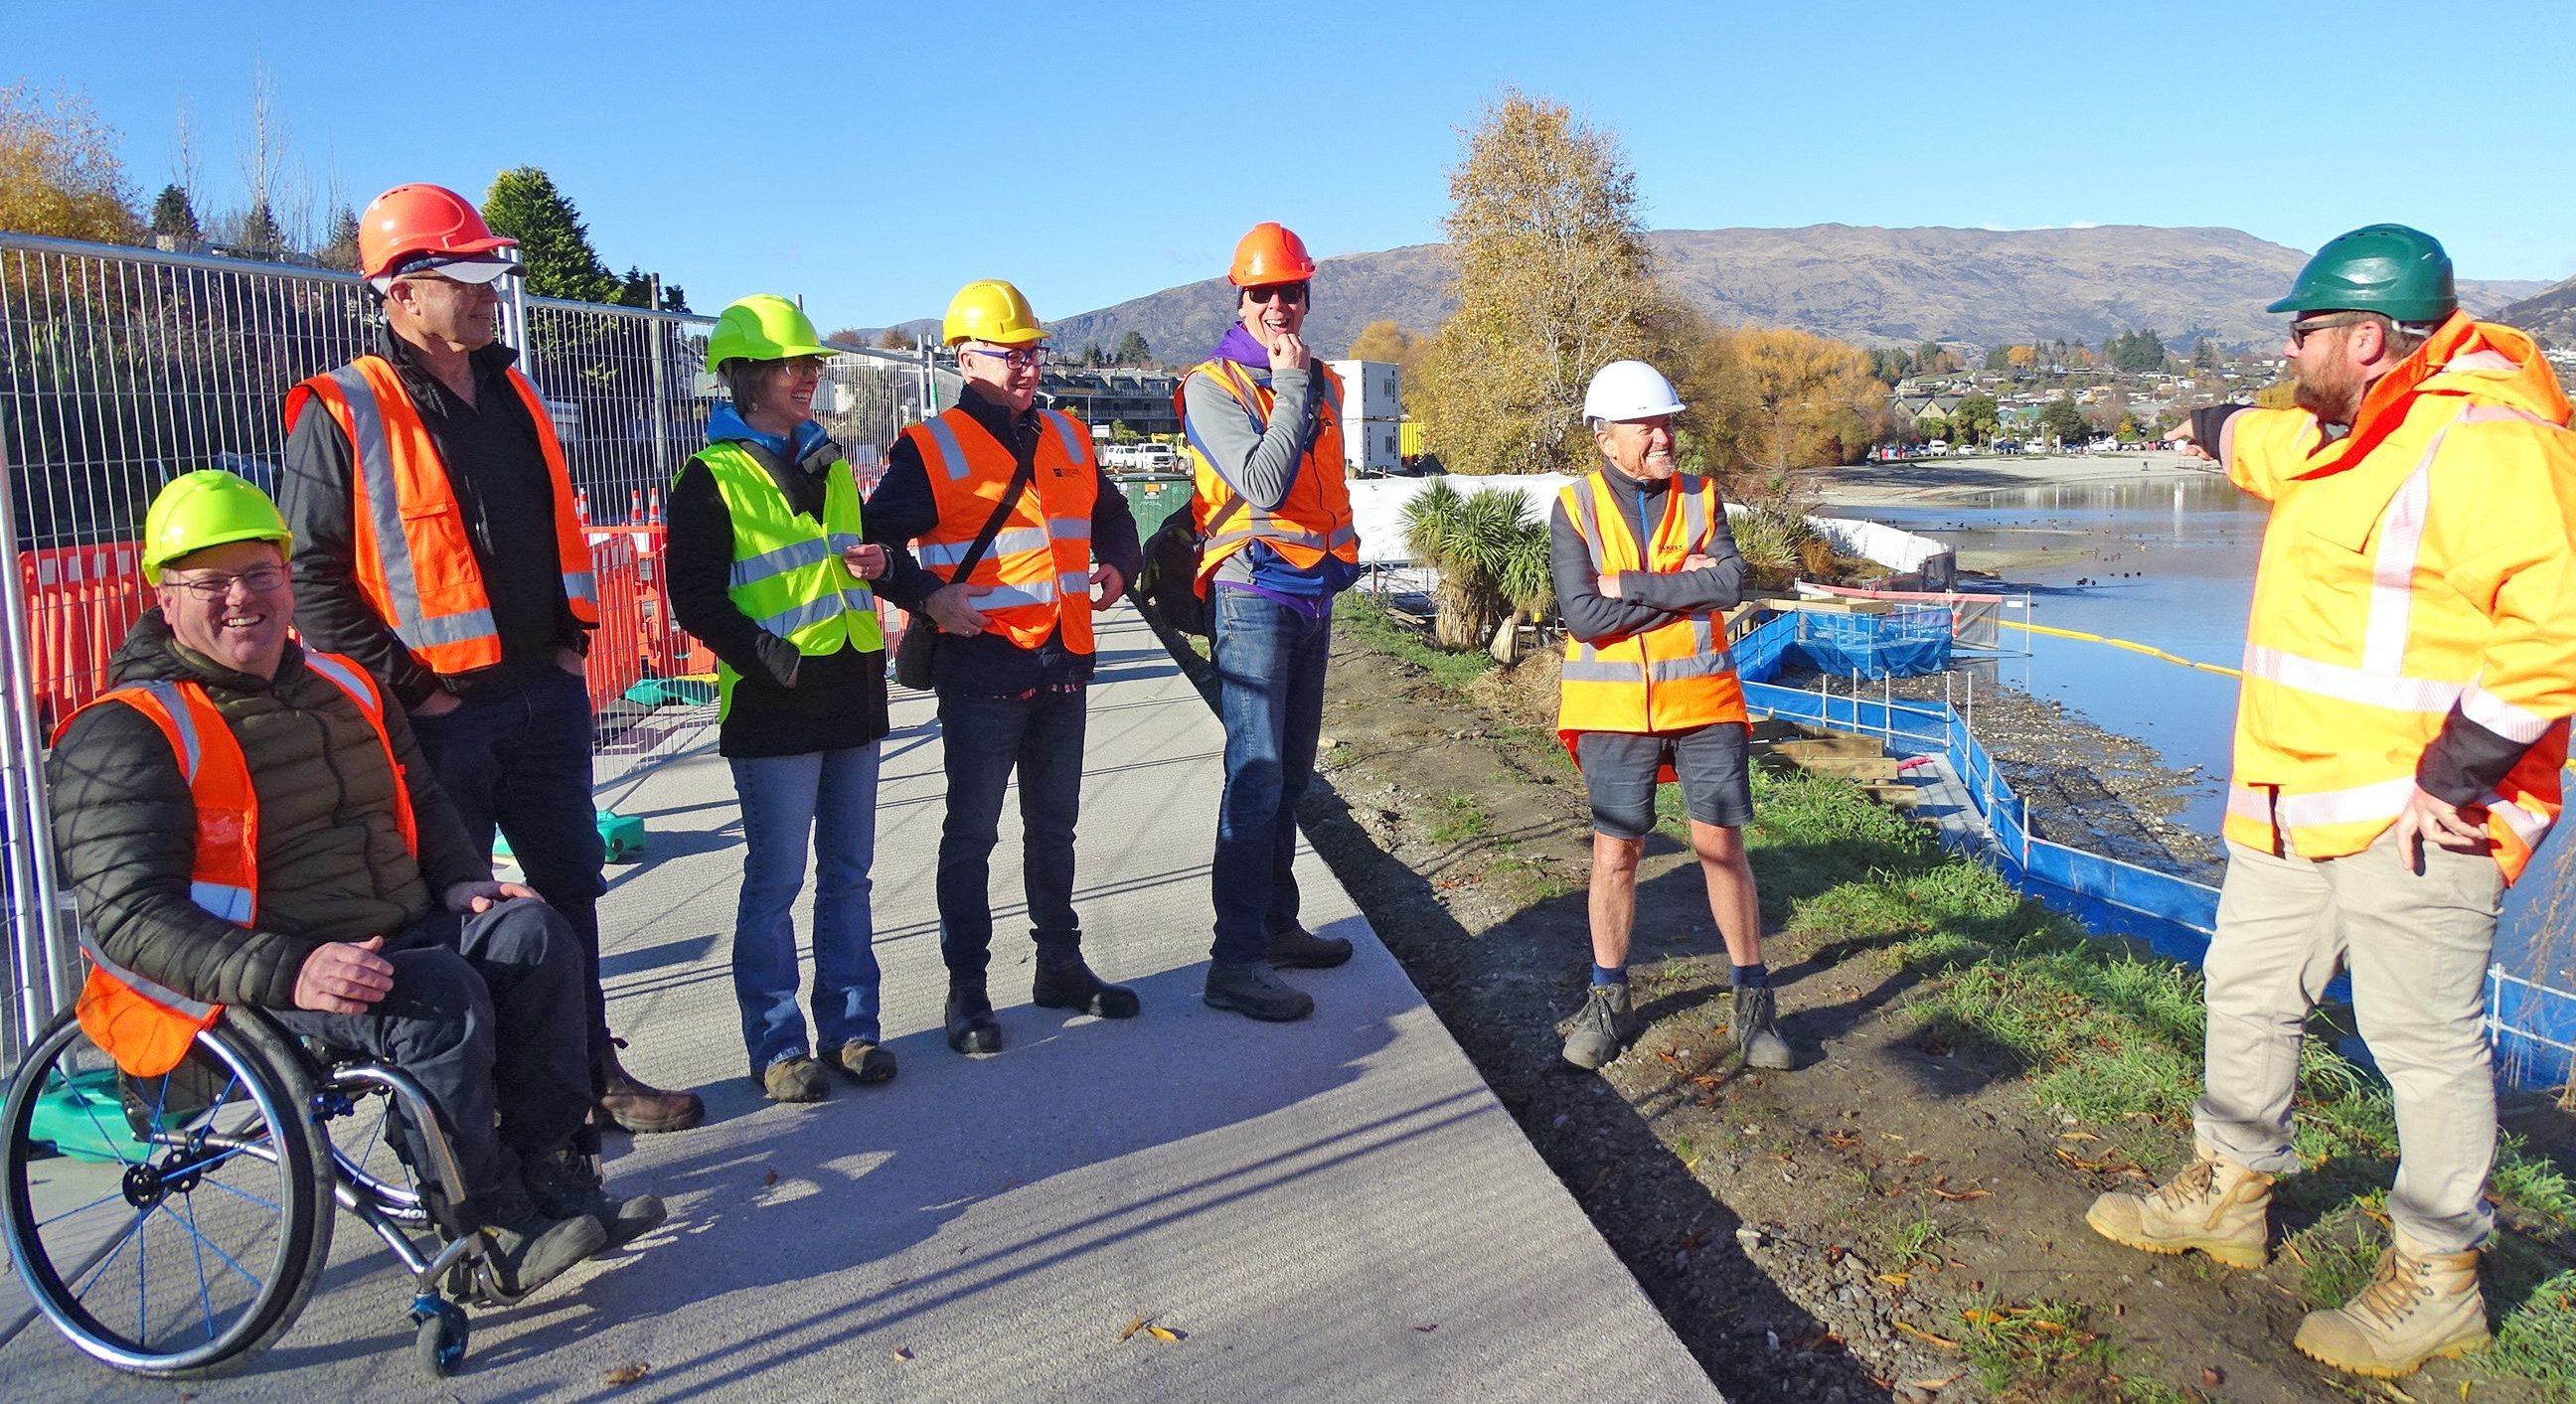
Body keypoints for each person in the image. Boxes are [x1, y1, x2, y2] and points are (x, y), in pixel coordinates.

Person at [2089, 225, 2576, 1378]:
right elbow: (2266, 442)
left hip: (2422, 818)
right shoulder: (2350, 433)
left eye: (2302, 331)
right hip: (2292, 803)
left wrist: (2452, 776)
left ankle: (2439, 1274)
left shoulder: (2488, 440)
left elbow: (2556, 626)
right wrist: (2200, 426)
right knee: (2247, 992)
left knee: (2423, 1044)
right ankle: (2228, 1186)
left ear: (2363, 337)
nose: (2290, 350)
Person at [47, 471, 664, 1298]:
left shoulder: (343, 682)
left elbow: (423, 796)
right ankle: (484, 1226)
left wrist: (460, 882)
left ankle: (556, 1179)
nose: (242, 597)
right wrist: (292, 966)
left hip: (399, 924)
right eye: (211, 581)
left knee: (535, 937)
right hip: (262, 970)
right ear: (165, 597)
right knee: (437, 993)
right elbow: (128, 917)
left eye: (259, 572)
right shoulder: (127, 731)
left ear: (286, 579)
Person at [276, 183, 703, 1135]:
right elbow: (313, 577)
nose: (487, 289)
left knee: (571, 890)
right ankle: (487, 1118)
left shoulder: (510, 388)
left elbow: (553, 529)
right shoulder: (343, 411)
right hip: (438, 721)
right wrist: (414, 694)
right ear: (399, 290)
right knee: (458, 918)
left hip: (540, 696)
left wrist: (563, 651)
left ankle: (589, 1076)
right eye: (461, 273)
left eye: (488, 270)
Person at [866, 279, 1144, 1055]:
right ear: (965, 356)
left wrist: (1121, 562)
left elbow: (1111, 513)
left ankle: (1059, 964)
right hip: (982, 670)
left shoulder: (1067, 434)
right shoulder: (933, 448)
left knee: (1054, 830)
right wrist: (927, 595)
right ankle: (968, 991)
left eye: (1033, 350)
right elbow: (873, 546)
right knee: (972, 835)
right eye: (1009, 352)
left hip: (1062, 661)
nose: (1026, 365)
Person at [667, 296, 893, 1103]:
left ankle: (852, 1030)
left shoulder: (831, 461)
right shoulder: (708, 479)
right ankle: (777, 1045)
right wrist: (772, 661)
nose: (811, 377)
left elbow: (838, 562)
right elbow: (693, 597)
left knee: (850, 875)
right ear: (750, 375)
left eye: (813, 364)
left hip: (853, 694)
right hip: (775, 707)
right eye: (796, 365)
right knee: (777, 881)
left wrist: (877, 563)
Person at [1547, 360, 1792, 1074]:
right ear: (1605, 437)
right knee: (1616, 853)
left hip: (1704, 701)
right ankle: (1606, 1001)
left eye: (1669, 422)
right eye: (1646, 424)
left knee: (1722, 848)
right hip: (1612, 707)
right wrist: (1685, 591)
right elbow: (1586, 615)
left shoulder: (1700, 495)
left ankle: (1754, 1006)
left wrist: (1632, 585)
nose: (1663, 436)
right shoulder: (1575, 507)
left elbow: (1728, 581)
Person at [1175, 222, 1363, 1022]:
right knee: (1253, 777)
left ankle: (1276, 925)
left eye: (1292, 290)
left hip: (1311, 596)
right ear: (1240, 298)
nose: (1280, 305)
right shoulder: (1211, 387)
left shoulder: (1326, 383)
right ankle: (1235, 960)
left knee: (1289, 774)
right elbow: (1262, 480)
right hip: (1252, 597)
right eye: (1264, 293)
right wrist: (1289, 391)